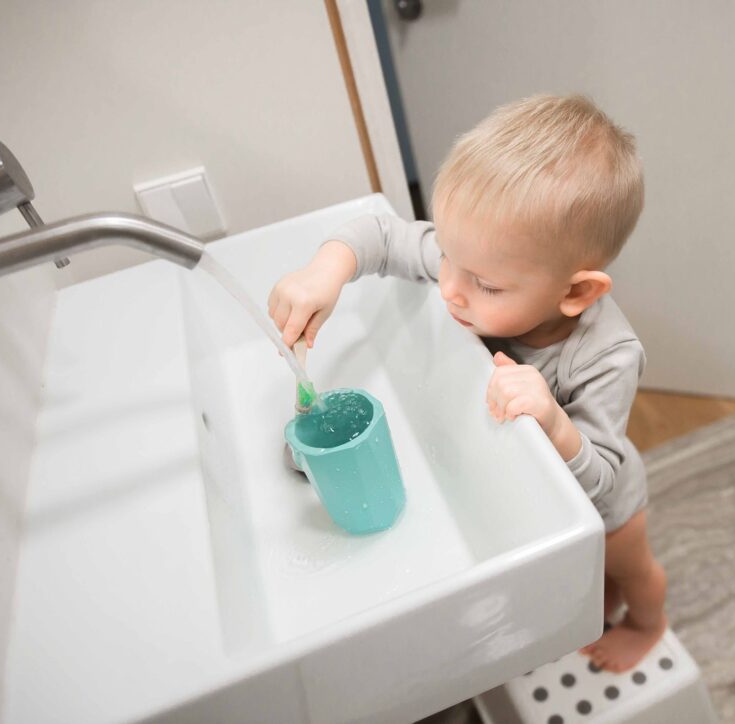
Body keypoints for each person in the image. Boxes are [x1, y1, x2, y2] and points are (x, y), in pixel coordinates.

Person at [267, 94, 667, 673]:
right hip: (539, 488)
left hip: (611, 504)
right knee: (588, 571)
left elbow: (602, 475)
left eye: (483, 284)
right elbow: (383, 236)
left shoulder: (608, 356)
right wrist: (324, 271)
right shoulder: (474, 261)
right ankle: (598, 588)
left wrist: (554, 421)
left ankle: (647, 624)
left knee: (630, 568)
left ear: (575, 293)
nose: (449, 288)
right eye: (447, 257)